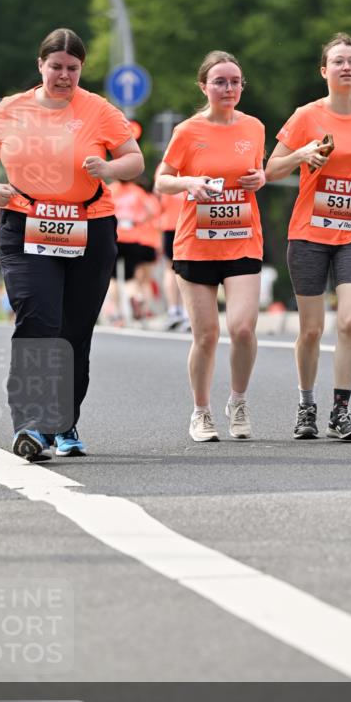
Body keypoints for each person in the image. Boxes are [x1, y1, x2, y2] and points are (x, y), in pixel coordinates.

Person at [0, 27, 143, 460]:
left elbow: (135, 159)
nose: (64, 76)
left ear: (81, 69)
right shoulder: (11, 109)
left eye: (73, 69)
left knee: (73, 332)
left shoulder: (99, 110)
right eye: (56, 67)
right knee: (37, 318)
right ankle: (29, 425)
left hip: (90, 227)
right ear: (40, 65)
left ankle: (63, 422)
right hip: (26, 223)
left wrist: (108, 167)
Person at [266, 32, 351, 442]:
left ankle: (340, 411)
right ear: (324, 70)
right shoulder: (306, 116)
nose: (346, 67)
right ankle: (306, 406)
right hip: (309, 233)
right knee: (312, 329)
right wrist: (302, 154)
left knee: (350, 321)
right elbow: (271, 169)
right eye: (338, 61)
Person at [154, 50, 266, 442]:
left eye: (235, 81)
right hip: (196, 244)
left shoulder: (254, 127)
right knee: (206, 335)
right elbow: (161, 180)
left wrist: (259, 179)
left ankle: (238, 401)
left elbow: (256, 171)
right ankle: (201, 412)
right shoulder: (187, 131)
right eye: (220, 81)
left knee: (243, 329)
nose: (229, 88)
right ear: (204, 86)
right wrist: (189, 183)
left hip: (242, 239)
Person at [108, 178, 162, 322]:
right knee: (131, 277)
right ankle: (136, 298)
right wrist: (140, 220)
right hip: (133, 238)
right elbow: (153, 210)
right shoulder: (137, 191)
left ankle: (116, 314)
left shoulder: (111, 189)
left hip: (114, 236)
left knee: (113, 278)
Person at [159, 190, 188, 329]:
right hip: (188, 222)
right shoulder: (194, 168)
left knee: (170, 269)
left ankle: (174, 310)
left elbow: (158, 202)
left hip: (171, 224)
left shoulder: (164, 169)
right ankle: (186, 312)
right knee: (188, 267)